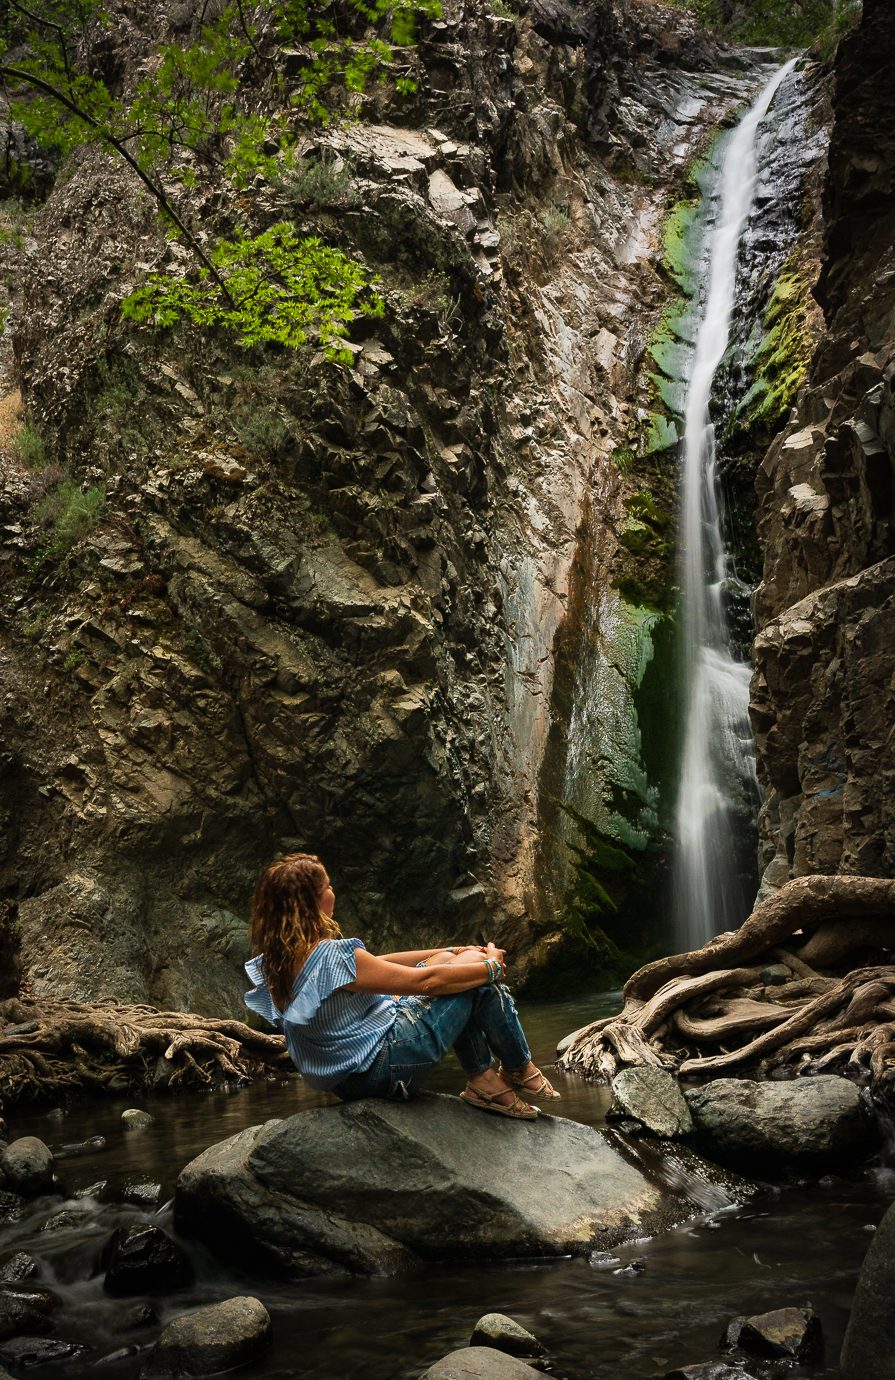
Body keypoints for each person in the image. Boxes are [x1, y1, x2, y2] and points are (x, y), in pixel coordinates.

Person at [244, 851, 560, 1120]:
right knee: (477, 986)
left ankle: (485, 1081)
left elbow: (376, 962)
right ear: (311, 902)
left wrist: (451, 951)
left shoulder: (275, 962)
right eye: (328, 886)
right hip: (385, 1068)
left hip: (348, 1082)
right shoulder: (329, 956)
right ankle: (519, 1067)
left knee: (453, 965)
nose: (332, 892)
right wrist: (490, 967)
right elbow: (427, 982)